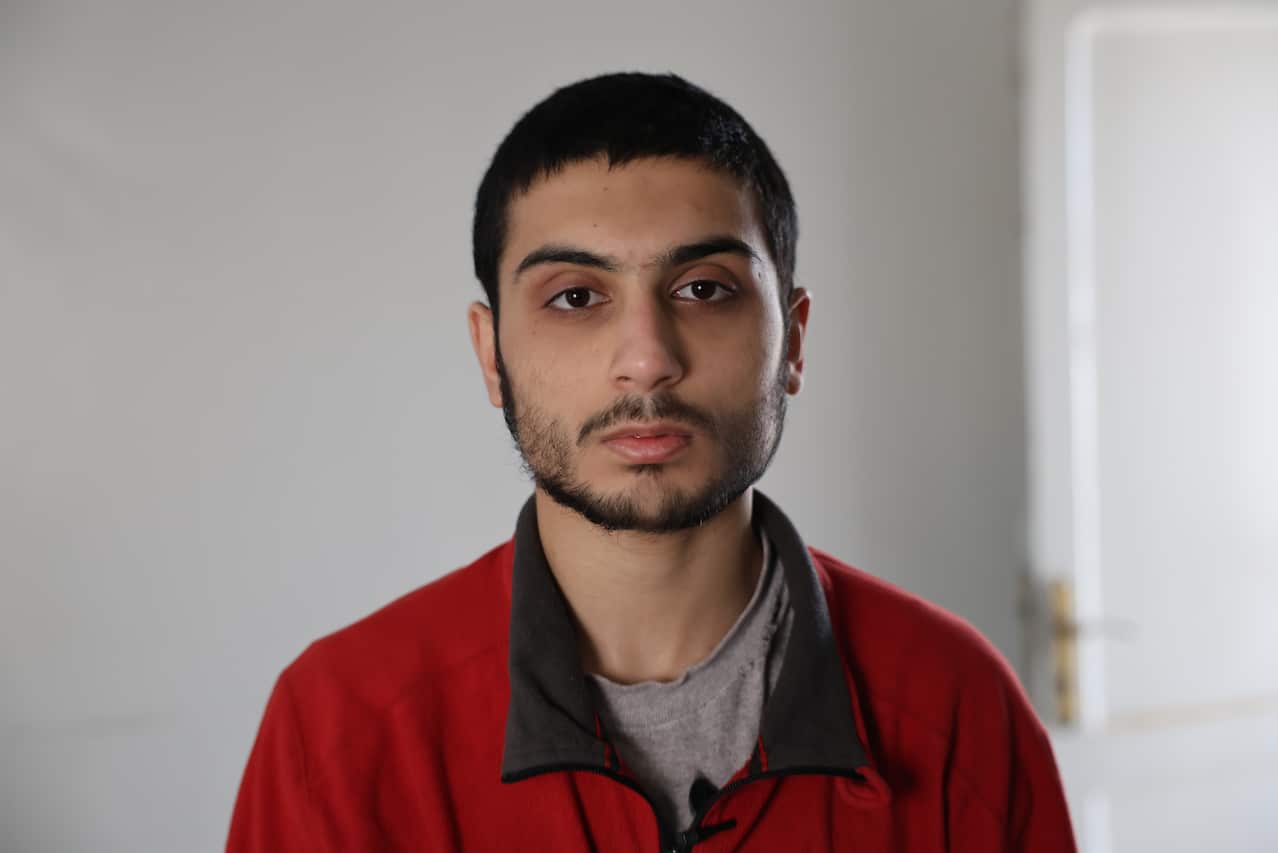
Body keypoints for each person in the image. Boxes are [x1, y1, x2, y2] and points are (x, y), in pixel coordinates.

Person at [227, 72, 1077, 852]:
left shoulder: (958, 704)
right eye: (575, 297)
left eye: (704, 288)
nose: (646, 358)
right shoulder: (341, 729)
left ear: (794, 339)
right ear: (492, 356)